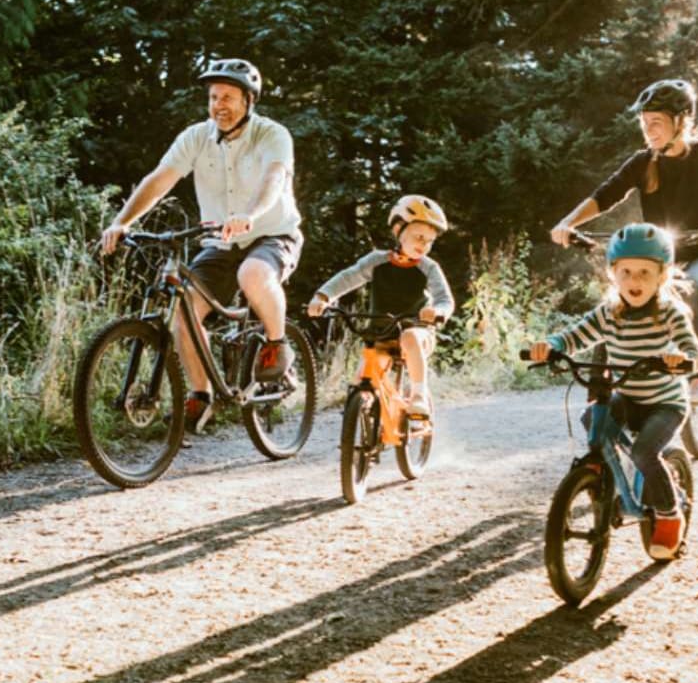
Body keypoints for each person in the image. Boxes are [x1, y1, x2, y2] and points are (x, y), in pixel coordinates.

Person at [98, 57, 303, 434]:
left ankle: (277, 345)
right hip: (220, 241)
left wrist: (251, 215)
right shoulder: (196, 137)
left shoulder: (273, 135)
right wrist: (122, 221)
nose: (218, 106)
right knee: (182, 312)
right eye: (213, 97)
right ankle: (200, 395)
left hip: (272, 233)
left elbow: (274, 179)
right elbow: (160, 180)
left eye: (228, 97)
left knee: (254, 274)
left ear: (248, 101)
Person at [549, 79, 698, 407]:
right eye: (644, 123)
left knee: (689, 287)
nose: (649, 129)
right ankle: (603, 387)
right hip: (659, 263)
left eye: (656, 122)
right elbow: (606, 195)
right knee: (618, 301)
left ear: (680, 121)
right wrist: (568, 223)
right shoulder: (644, 162)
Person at [527, 223, 698, 559]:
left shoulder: (670, 314)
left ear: (661, 276)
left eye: (644, 273)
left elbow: (695, 354)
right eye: (626, 272)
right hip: (629, 395)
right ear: (613, 274)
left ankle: (669, 514)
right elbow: (574, 336)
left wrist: (682, 360)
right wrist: (550, 346)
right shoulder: (609, 313)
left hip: (665, 404)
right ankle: (599, 477)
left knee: (643, 453)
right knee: (592, 416)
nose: (634, 281)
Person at [307, 195, 455, 418]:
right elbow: (349, 277)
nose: (424, 245)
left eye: (430, 241)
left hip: (418, 331)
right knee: (361, 380)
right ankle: (359, 439)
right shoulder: (377, 261)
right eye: (419, 237)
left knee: (410, 338)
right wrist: (323, 296)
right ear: (398, 231)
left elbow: (445, 299)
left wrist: (437, 312)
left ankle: (418, 396)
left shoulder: (428, 268)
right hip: (382, 334)